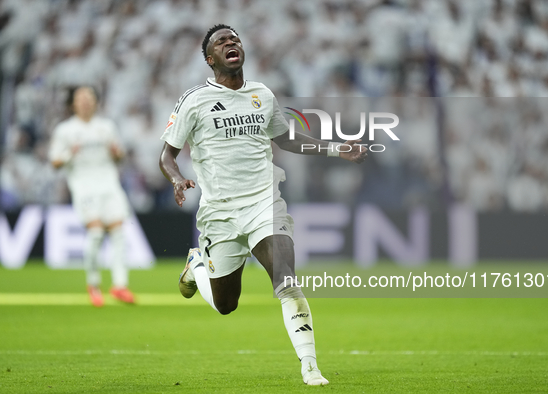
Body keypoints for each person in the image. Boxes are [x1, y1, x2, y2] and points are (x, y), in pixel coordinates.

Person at [159, 24, 366, 386]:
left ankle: (310, 365)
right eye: (222, 42)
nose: (231, 43)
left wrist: (336, 147)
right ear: (211, 59)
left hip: (263, 201)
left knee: (286, 279)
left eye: (234, 39)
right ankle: (197, 263)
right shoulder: (194, 100)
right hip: (220, 211)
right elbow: (167, 155)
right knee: (226, 304)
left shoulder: (261, 94)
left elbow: (285, 139)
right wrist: (177, 180)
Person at [49, 86, 135, 307]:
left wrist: (117, 153)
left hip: (109, 184)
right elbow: (55, 162)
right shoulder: (65, 130)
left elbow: (120, 156)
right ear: (73, 104)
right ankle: (93, 283)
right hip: (84, 186)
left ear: (96, 102)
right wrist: (70, 154)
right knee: (96, 232)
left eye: (89, 97)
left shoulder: (106, 127)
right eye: (81, 98)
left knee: (118, 232)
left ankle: (120, 285)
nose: (86, 101)